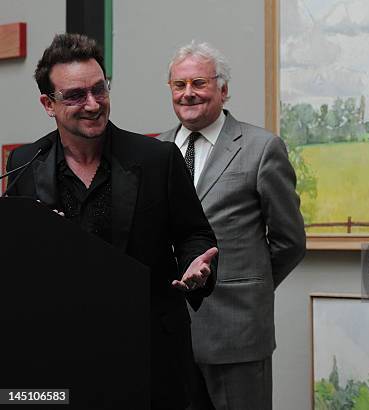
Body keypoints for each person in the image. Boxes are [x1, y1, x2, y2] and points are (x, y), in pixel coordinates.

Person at [6, 33, 218, 410]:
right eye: (74, 96)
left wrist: (196, 263)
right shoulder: (25, 162)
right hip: (58, 351)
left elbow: (195, 234)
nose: (92, 104)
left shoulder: (158, 159)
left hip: (148, 350)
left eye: (99, 90)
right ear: (47, 104)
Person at [158, 41, 306, 410]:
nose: (188, 93)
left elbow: (290, 241)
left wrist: (251, 286)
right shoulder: (156, 152)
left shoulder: (261, 148)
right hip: (169, 334)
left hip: (236, 332)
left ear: (223, 89)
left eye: (199, 83)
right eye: (179, 85)